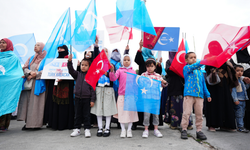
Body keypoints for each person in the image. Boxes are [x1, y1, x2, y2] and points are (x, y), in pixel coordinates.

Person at [181, 52, 211, 140]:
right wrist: (202, 61)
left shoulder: (200, 72)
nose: (193, 59)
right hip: (189, 94)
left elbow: (203, 84)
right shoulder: (186, 68)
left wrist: (207, 94)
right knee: (187, 113)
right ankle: (184, 129)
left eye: (195, 57)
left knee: (199, 114)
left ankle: (199, 130)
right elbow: (193, 66)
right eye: (191, 58)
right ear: (186, 60)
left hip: (199, 96)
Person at [43, 45, 74, 130]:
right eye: (58, 49)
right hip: (56, 85)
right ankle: (54, 123)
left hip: (67, 85)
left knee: (66, 104)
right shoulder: (55, 60)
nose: (59, 50)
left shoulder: (69, 59)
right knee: (55, 103)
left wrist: (63, 78)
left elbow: (72, 71)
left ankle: (65, 123)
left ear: (66, 50)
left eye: (61, 49)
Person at [133, 40, 163, 130]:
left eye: (151, 66)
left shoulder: (154, 59)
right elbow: (136, 60)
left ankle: (153, 126)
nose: (149, 67)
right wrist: (140, 47)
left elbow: (158, 74)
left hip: (153, 90)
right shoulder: (142, 58)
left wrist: (159, 64)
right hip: (143, 86)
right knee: (143, 105)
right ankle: (140, 123)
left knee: (153, 107)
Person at [17, 42, 47, 130]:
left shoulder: (46, 59)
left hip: (38, 83)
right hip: (29, 83)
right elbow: (25, 67)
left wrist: (36, 74)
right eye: (35, 45)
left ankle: (35, 124)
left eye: (38, 45)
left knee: (36, 104)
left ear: (42, 47)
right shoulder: (31, 58)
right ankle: (28, 123)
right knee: (28, 103)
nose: (35, 46)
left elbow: (47, 70)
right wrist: (29, 73)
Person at [109, 54, 138, 138]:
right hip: (122, 95)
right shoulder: (119, 70)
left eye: (128, 60)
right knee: (121, 113)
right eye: (124, 60)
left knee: (131, 114)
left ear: (130, 61)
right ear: (122, 61)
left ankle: (129, 130)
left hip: (131, 96)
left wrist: (136, 95)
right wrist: (112, 71)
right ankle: (123, 130)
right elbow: (113, 78)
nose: (126, 61)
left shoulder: (133, 71)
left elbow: (135, 84)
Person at [91, 47, 118, 137]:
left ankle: (107, 128)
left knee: (107, 109)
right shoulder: (98, 63)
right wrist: (96, 45)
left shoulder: (111, 64)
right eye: (103, 51)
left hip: (108, 89)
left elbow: (113, 78)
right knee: (99, 109)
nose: (104, 52)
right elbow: (95, 55)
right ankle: (100, 128)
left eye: (106, 51)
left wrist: (111, 70)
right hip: (99, 88)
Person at [67, 54, 96, 138]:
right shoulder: (77, 74)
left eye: (86, 65)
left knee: (86, 115)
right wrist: (69, 62)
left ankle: (87, 129)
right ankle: (77, 129)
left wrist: (92, 100)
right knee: (77, 114)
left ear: (89, 67)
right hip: (77, 98)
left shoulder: (91, 76)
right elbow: (71, 70)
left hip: (87, 99)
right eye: (82, 65)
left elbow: (93, 89)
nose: (83, 67)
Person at [164, 54, 193, 130]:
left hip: (183, 87)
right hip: (173, 87)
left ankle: (188, 123)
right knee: (174, 107)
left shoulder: (183, 61)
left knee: (185, 106)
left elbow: (186, 71)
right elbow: (169, 71)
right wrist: (178, 68)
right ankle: (174, 123)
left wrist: (177, 68)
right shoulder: (169, 61)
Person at [0, 38, 23, 131]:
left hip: (8, 85)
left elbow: (17, 72)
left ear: (8, 44)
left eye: (3, 43)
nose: (1, 44)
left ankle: (3, 125)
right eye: (0, 43)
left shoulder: (13, 58)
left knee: (6, 101)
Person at [141, 58, 167, 138]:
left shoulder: (158, 76)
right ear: (146, 67)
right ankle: (146, 129)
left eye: (151, 66)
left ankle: (156, 129)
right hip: (146, 98)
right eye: (148, 66)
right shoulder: (143, 75)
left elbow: (164, 85)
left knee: (156, 114)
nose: (150, 68)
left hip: (156, 99)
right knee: (146, 115)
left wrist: (164, 82)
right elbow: (140, 84)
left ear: (155, 67)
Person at [231, 65, 249, 133]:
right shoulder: (235, 81)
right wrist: (235, 100)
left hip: (243, 100)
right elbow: (233, 91)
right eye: (237, 71)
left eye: (241, 71)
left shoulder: (241, 81)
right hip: (238, 100)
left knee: (242, 114)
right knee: (239, 114)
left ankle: (240, 125)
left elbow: (244, 89)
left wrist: (247, 84)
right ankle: (240, 126)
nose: (240, 73)